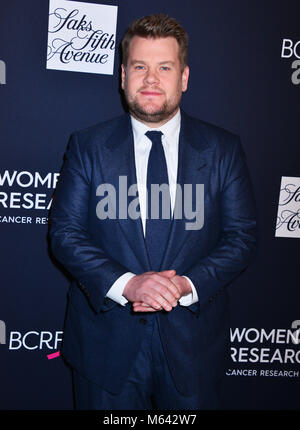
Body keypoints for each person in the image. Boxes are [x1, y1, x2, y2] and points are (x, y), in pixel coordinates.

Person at [49, 13, 257, 410]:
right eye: (140, 67)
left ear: (184, 77)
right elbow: (65, 233)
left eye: (165, 67)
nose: (151, 80)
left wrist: (184, 285)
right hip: (105, 349)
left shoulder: (222, 150)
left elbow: (242, 237)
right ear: (123, 75)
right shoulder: (88, 147)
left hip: (193, 348)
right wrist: (127, 284)